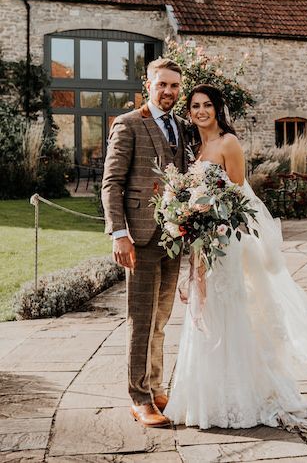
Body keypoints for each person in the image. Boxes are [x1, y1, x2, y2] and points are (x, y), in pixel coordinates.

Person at [165, 84, 307, 432]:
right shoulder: (198, 147)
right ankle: (208, 399)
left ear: (217, 108)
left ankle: (243, 397)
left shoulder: (228, 143)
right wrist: (187, 216)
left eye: (207, 105)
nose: (200, 111)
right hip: (203, 242)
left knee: (229, 313)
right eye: (195, 106)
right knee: (204, 311)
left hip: (226, 242)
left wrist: (205, 211)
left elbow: (239, 195)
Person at [101, 57, 189, 428]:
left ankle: (155, 385)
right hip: (138, 237)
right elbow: (112, 183)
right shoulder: (129, 124)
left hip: (174, 237)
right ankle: (139, 398)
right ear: (148, 85)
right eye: (162, 84)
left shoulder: (183, 127)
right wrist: (118, 234)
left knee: (162, 319)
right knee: (140, 320)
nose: (168, 91)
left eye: (174, 86)